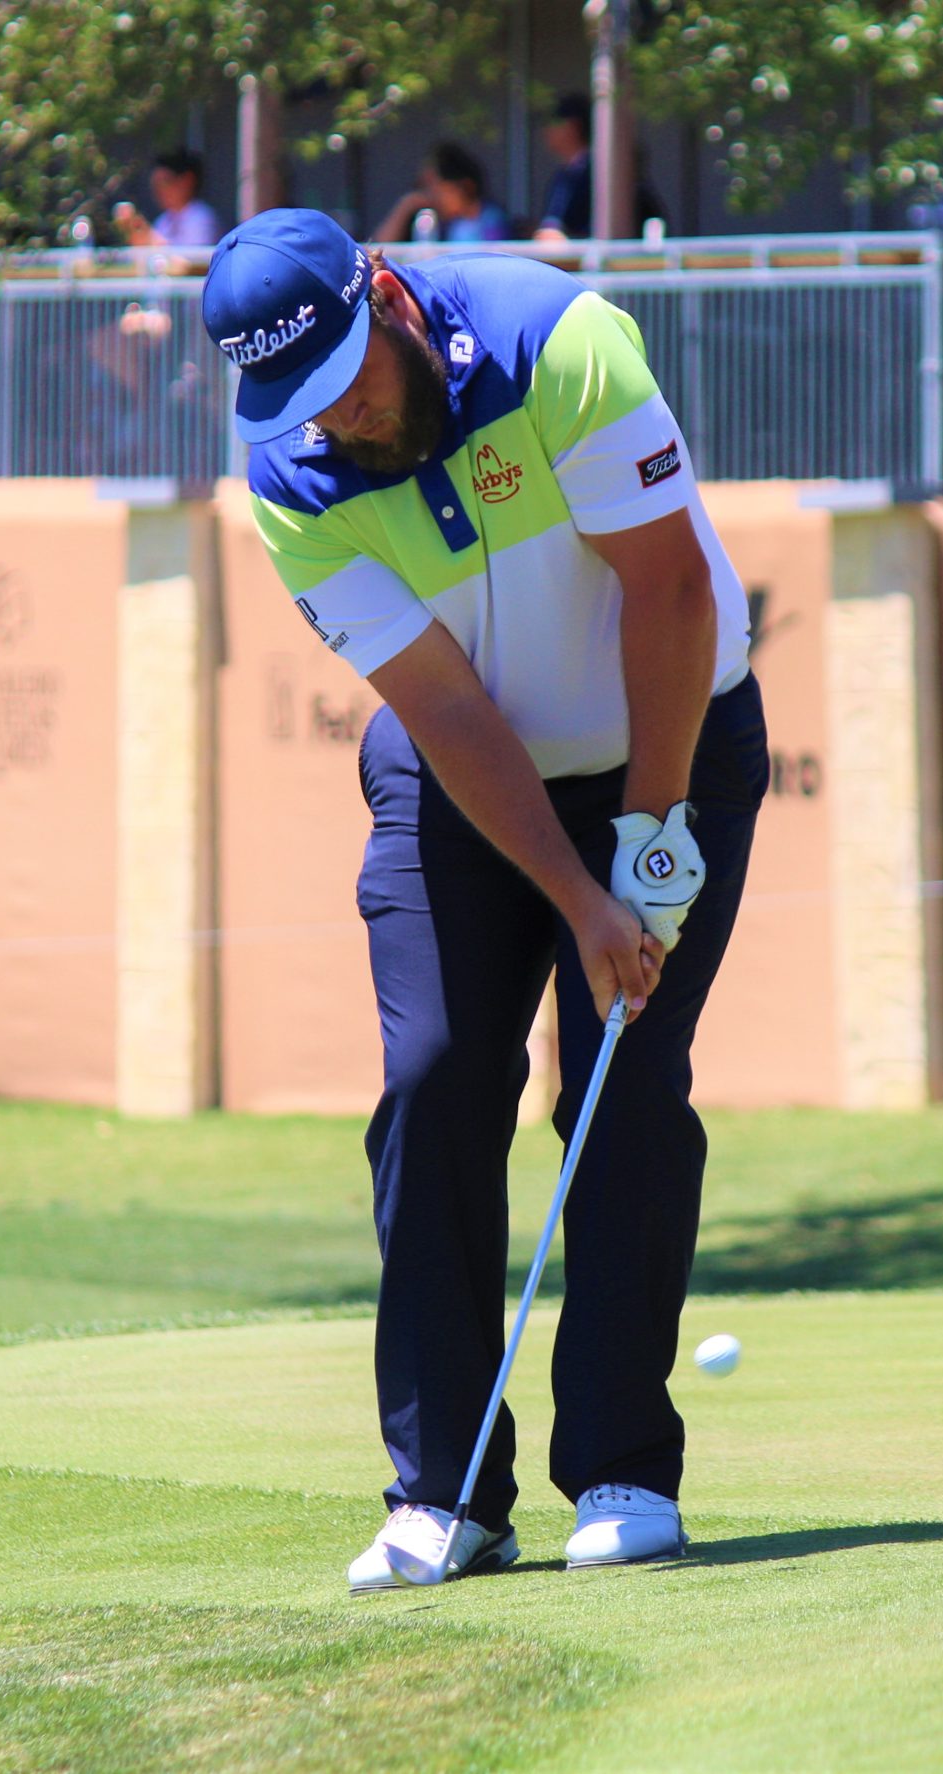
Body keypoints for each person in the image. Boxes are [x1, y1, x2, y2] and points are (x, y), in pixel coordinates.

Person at [203, 210, 762, 1591]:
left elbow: (671, 590)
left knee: (621, 1087)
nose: (337, 417)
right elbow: (445, 707)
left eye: (351, 376)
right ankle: (443, 1492)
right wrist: (576, 897)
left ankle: (624, 1466)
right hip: (465, 775)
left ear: (385, 295)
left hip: (668, 733)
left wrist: (645, 840)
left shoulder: (555, 342)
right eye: (303, 399)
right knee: (438, 1074)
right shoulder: (289, 470)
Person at [533, 93, 666, 242]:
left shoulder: (603, 172)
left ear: (572, 126)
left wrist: (569, 239)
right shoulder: (564, 176)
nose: (545, 131)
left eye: (552, 123)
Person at [376, 141, 512, 244]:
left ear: (465, 186)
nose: (428, 196)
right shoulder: (432, 223)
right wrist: (405, 206)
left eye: (434, 187)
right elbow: (381, 250)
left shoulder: (491, 221)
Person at [113, 148, 221, 250]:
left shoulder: (201, 218)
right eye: (155, 185)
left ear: (187, 181)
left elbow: (189, 265)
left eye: (165, 183)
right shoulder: (164, 221)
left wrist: (147, 235)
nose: (159, 191)